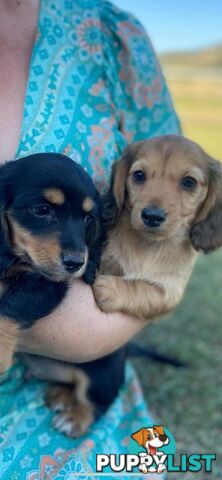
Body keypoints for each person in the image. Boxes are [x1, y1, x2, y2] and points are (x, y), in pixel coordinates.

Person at [0, 0, 180, 477]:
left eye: (85, 222)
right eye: (42, 211)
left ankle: (86, 405)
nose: (74, 245)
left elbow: (181, 201)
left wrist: (93, 332)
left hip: (84, 369)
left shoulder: (112, 33)